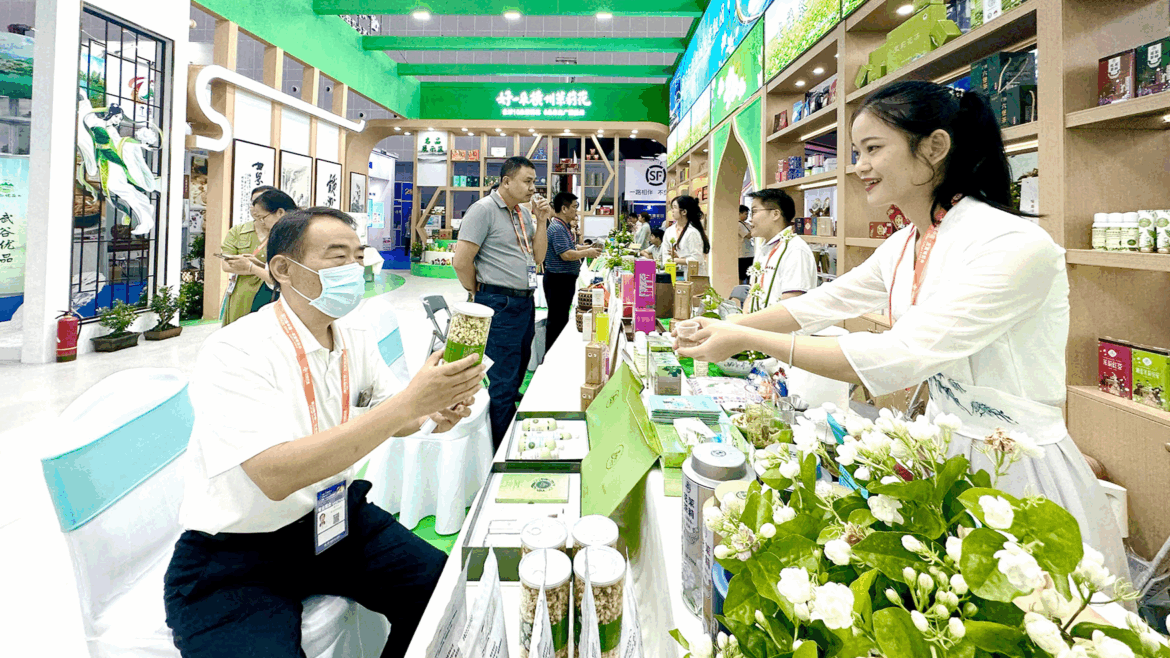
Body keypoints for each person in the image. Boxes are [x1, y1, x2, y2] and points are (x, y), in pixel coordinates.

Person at [676, 80, 1127, 581]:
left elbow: (899, 355)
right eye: (855, 151)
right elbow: (822, 304)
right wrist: (730, 324)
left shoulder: (1014, 244)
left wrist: (745, 337)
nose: (859, 165)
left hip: (1020, 469)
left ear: (934, 147)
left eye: (873, 149)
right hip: (945, 455)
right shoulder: (908, 240)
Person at [164, 207, 486, 658]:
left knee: (446, 597)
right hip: (237, 556)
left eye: (359, 256)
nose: (354, 270)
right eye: (337, 257)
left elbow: (394, 411)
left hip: (336, 524)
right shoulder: (236, 350)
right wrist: (410, 404)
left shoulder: (352, 333)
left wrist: (434, 412)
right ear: (283, 269)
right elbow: (273, 475)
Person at [454, 156, 552, 445]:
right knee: (503, 381)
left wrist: (542, 220)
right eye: (527, 181)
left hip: (524, 301)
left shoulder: (522, 213)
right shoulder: (483, 210)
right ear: (506, 181)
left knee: (519, 369)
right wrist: (480, 294)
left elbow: (538, 257)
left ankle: (507, 431)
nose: (533, 187)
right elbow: (461, 261)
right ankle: (499, 449)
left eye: (534, 181)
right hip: (498, 302)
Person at [219, 189, 297, 326]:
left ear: (279, 212)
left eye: (263, 218)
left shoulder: (292, 236)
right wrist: (259, 265)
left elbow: (283, 279)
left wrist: (251, 267)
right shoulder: (238, 231)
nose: (262, 222)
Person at [544, 192, 601, 348]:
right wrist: (587, 253)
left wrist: (587, 248)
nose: (576, 211)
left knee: (560, 318)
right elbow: (566, 254)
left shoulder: (563, 227)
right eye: (574, 207)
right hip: (558, 280)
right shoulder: (557, 228)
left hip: (563, 279)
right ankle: (550, 354)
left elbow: (571, 247)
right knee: (556, 320)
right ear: (564, 208)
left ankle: (555, 350)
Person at [746, 188, 817, 310]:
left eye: (754, 212)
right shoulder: (764, 248)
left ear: (775, 214)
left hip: (777, 327)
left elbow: (790, 302)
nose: (750, 219)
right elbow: (752, 293)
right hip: (757, 325)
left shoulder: (795, 250)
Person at [666, 195, 710, 265]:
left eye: (675, 207)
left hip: (692, 273)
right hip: (675, 272)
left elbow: (697, 259)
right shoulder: (669, 230)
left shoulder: (692, 232)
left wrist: (676, 260)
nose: (672, 210)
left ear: (684, 212)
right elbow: (666, 253)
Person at [737, 204, 754, 284]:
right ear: (739, 214)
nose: (747, 216)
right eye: (745, 214)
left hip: (750, 253)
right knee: (741, 275)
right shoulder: (738, 224)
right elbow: (748, 235)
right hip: (742, 255)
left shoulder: (747, 224)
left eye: (747, 214)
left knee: (750, 276)